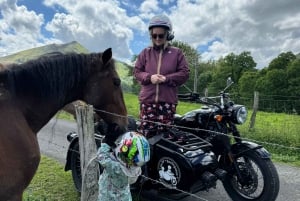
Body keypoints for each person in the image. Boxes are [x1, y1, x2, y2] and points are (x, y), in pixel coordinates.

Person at [134, 14, 190, 137]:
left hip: (167, 104)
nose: (158, 38)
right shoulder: (145, 53)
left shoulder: (177, 53)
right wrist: (150, 77)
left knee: (165, 138)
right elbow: (137, 72)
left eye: (161, 35)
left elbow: (184, 73)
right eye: (154, 35)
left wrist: (166, 78)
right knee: (146, 136)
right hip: (147, 102)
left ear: (168, 35)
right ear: (151, 35)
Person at [97, 129, 150, 201]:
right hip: (124, 197)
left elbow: (101, 157)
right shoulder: (134, 169)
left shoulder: (116, 168)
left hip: (107, 197)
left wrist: (106, 143)